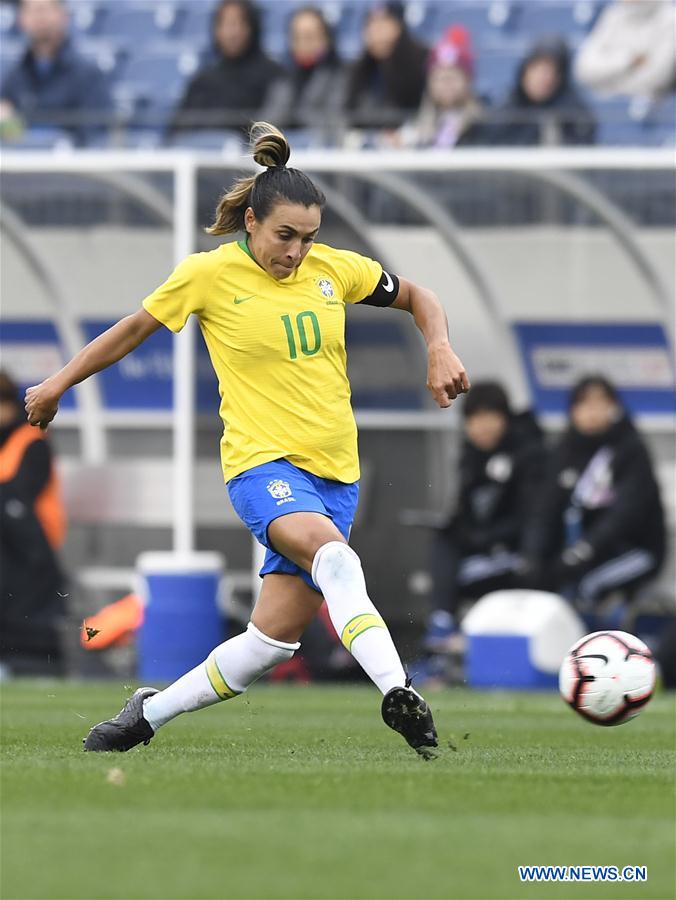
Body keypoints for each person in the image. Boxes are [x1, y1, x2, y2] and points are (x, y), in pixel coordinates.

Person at [25, 121, 470, 758]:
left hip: (336, 476)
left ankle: (147, 713)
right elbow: (132, 330)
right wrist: (58, 384)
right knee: (337, 559)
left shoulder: (334, 270)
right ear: (252, 221)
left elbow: (419, 296)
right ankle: (399, 692)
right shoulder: (209, 275)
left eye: (308, 237)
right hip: (263, 468)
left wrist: (439, 345)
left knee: (270, 643)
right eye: (285, 235)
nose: (296, 251)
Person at [522, 376, 665, 616]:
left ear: (614, 407)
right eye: (584, 404)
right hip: (578, 550)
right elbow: (544, 509)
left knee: (588, 587)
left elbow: (625, 515)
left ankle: (595, 639)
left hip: (633, 549)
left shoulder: (630, 449)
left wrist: (584, 550)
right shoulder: (565, 450)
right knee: (541, 581)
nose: (592, 411)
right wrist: (532, 555)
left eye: (600, 403)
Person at [425, 383, 545, 649]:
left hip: (517, 554)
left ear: (504, 418)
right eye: (474, 419)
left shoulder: (529, 454)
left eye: (489, 417)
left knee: (456, 580)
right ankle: (442, 624)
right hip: (484, 549)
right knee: (444, 539)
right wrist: (461, 530)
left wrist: (487, 538)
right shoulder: (471, 457)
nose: (482, 427)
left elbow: (532, 517)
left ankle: (453, 643)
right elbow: (466, 512)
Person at [0, 371, 67, 676]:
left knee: (29, 637)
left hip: (32, 554)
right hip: (9, 554)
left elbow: (18, 498)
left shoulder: (30, 439)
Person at [0, 0, 113, 146]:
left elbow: (96, 136)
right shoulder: (14, 78)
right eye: (32, 10)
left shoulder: (88, 76)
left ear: (64, 15)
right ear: (21, 19)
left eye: (46, 9)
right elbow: (10, 135)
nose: (40, 17)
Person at [170, 0, 283, 135]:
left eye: (239, 23)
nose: (232, 33)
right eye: (225, 24)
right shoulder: (202, 81)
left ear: (252, 27)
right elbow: (177, 133)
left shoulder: (274, 77)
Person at [396, 25, 490, 149]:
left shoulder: (486, 125)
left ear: (467, 81)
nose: (446, 84)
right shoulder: (415, 126)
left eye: (452, 77)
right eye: (439, 78)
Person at [493, 36, 597, 146]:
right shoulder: (506, 110)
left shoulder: (574, 116)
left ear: (560, 78)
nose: (542, 78)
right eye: (536, 69)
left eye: (550, 72)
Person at [344, 1, 428, 132]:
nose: (377, 31)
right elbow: (349, 110)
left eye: (384, 24)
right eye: (371, 25)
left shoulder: (421, 60)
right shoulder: (359, 68)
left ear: (399, 26)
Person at [267, 6, 346, 141]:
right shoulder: (283, 77)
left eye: (309, 37)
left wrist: (298, 115)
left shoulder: (340, 76)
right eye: (296, 37)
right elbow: (269, 120)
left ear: (326, 39)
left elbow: (336, 121)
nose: (302, 43)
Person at [575, 0, 676, 100]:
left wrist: (606, 84)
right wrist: (629, 61)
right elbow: (584, 70)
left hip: (652, 104)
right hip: (605, 99)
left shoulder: (671, 19)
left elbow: (656, 79)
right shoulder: (613, 15)